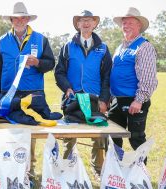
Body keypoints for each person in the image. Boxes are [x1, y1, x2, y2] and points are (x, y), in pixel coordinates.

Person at [0, 1, 55, 184]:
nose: (19, 20)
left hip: (33, 92)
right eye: (16, 18)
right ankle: (11, 169)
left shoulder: (41, 39)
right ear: (11, 19)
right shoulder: (1, 41)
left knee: (30, 132)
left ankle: (29, 170)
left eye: (23, 17)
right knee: (9, 132)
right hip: (8, 94)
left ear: (27, 19)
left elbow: (50, 64)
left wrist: (38, 63)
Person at [54, 10, 112, 179]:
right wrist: (67, 89)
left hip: (94, 99)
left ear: (94, 24)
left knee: (99, 137)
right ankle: (66, 168)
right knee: (69, 136)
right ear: (77, 24)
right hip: (73, 99)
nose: (86, 23)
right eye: (82, 21)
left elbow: (107, 76)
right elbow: (59, 72)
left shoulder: (103, 48)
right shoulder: (67, 46)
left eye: (89, 20)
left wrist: (104, 99)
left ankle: (99, 170)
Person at [110, 7, 158, 156]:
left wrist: (139, 100)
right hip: (117, 101)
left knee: (136, 139)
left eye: (130, 22)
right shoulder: (120, 47)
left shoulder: (144, 46)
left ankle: (141, 174)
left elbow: (149, 78)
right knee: (113, 137)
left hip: (134, 101)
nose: (126, 26)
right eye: (124, 23)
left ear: (139, 25)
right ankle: (116, 171)